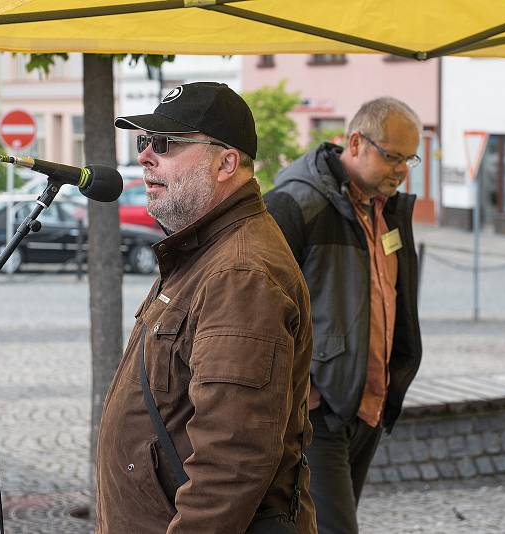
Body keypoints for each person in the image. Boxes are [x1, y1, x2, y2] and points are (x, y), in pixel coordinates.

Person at [96, 82, 317, 533]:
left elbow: (231, 462)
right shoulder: (203, 249)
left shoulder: (240, 273)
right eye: (144, 141)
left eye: (167, 144)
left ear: (227, 162)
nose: (145, 157)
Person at [264, 97, 423, 534]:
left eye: (409, 158)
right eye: (393, 156)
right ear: (355, 142)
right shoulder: (297, 205)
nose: (402, 169)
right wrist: (307, 392)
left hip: (368, 407)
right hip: (319, 413)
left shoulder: (386, 210)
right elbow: (260, 310)